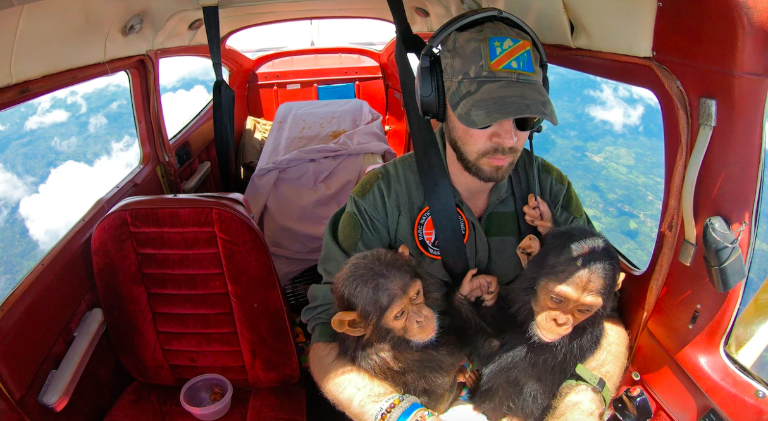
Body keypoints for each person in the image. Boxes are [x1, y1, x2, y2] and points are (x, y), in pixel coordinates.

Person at [301, 18, 629, 421]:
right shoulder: (383, 198)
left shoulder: (551, 190)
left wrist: (580, 404)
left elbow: (604, 316)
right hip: (412, 384)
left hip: (517, 384)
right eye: (485, 115)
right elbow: (327, 334)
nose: (508, 138)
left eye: (523, 119)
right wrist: (395, 412)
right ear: (438, 103)